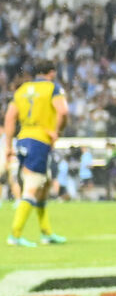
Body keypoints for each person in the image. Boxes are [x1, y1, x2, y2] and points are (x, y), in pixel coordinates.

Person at [4, 60, 69, 247]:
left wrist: (9, 145)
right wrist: (58, 132)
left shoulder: (22, 90)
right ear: (52, 72)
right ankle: (15, 235)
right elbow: (63, 111)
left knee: (45, 184)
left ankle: (46, 233)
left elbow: (10, 117)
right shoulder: (53, 88)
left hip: (23, 138)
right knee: (33, 187)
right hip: (40, 141)